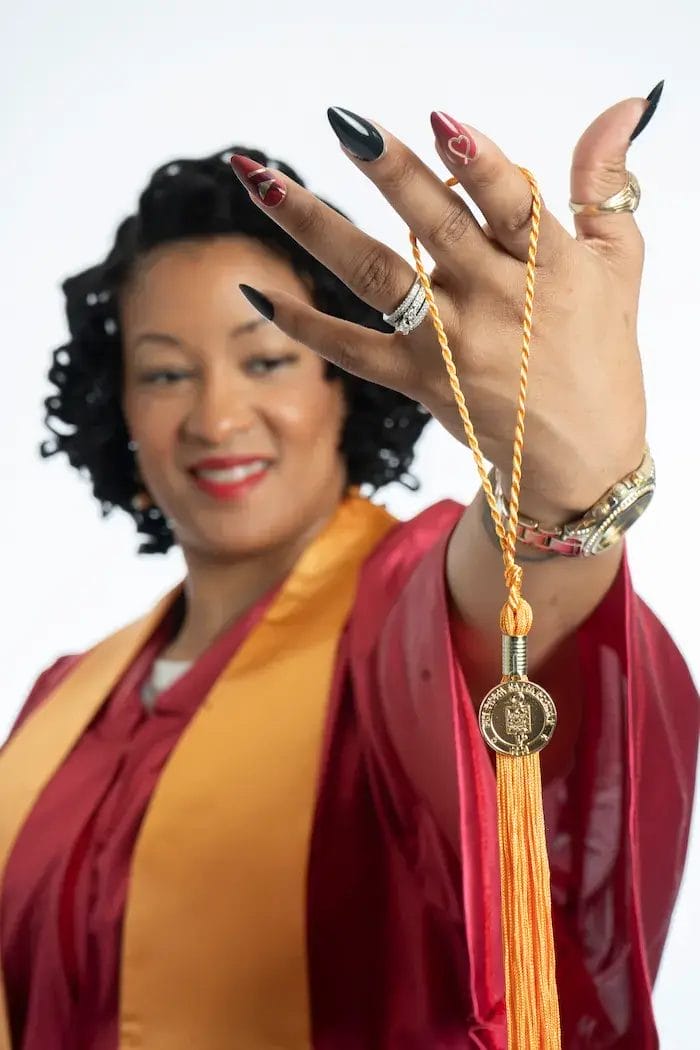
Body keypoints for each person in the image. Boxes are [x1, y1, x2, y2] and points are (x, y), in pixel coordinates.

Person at [0, 90, 697, 1050]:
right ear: (115, 407)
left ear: (346, 374)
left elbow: (495, 630)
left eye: (267, 359)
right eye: (165, 373)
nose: (216, 419)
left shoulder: (392, 607)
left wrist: (560, 493)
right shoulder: (59, 700)